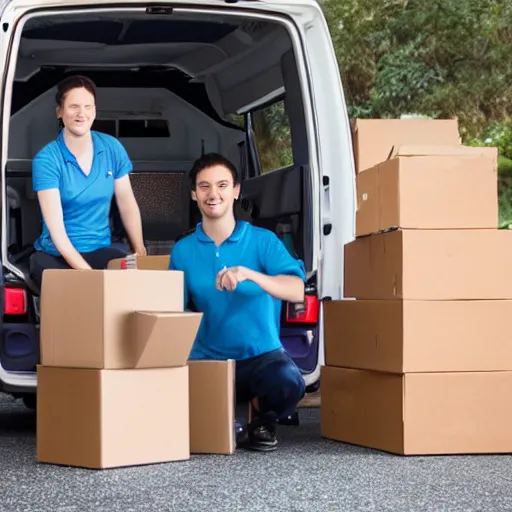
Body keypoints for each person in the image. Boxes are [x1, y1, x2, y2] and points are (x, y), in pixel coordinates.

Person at [169, 153, 306, 452]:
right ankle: (231, 412)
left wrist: (249, 274)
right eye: (204, 187)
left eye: (222, 185)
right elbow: (175, 310)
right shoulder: (182, 250)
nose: (213, 194)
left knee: (289, 383)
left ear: (236, 191)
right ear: (194, 194)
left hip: (260, 356)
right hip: (207, 358)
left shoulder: (263, 241)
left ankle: (261, 419)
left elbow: (296, 290)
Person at [29, 75, 146, 288]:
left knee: (130, 270)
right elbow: (57, 231)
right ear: (60, 111)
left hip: (100, 248)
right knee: (58, 278)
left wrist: (140, 250)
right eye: (73, 106)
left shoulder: (112, 147)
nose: (81, 113)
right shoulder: (46, 160)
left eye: (88, 107)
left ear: (94, 110)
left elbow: (127, 203)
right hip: (58, 253)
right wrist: (89, 277)